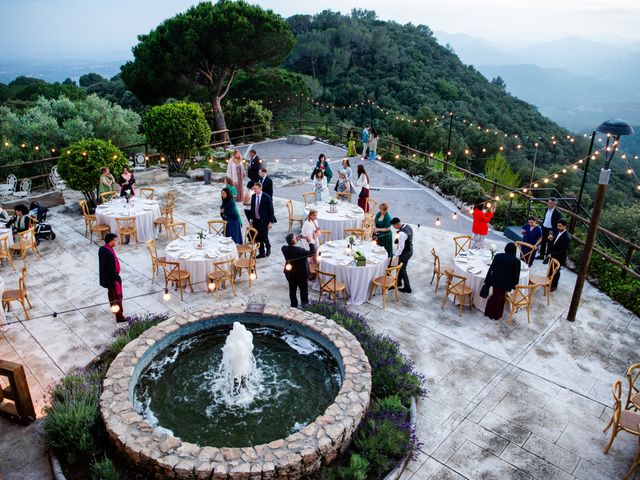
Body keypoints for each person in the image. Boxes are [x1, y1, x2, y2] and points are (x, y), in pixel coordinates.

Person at [483, 242, 521, 320]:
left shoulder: (498, 256)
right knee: (499, 300)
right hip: (505, 285)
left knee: (492, 298)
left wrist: (487, 281)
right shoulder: (517, 261)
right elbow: (516, 276)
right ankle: (496, 315)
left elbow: (491, 269)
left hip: (494, 281)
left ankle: (488, 312)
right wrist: (512, 287)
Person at [282, 233, 317, 308]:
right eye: (295, 238)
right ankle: (305, 306)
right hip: (301, 275)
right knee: (304, 292)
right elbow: (313, 252)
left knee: (292, 291)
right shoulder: (300, 251)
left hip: (290, 274)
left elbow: (290, 245)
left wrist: (295, 240)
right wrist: (310, 242)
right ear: (294, 241)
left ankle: (293, 305)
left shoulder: (284, 248)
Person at [99, 233, 127, 323]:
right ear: (111, 242)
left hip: (106, 279)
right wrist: (118, 278)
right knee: (117, 298)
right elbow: (111, 270)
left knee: (112, 297)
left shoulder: (102, 249)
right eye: (115, 240)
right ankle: (119, 317)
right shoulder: (109, 254)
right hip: (112, 280)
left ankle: (116, 311)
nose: (116, 242)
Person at [249, 182, 276, 258]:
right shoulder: (253, 196)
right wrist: (251, 221)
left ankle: (268, 246)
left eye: (256, 189)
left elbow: (271, 210)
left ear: (260, 188)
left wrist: (270, 222)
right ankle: (261, 253)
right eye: (254, 188)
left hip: (264, 221)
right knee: (258, 237)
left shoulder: (266, 197)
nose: (254, 190)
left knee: (264, 237)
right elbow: (252, 209)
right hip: (256, 220)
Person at [546, 219, 570, 291]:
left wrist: (552, 254)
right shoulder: (558, 232)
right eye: (558, 226)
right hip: (554, 254)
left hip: (559, 256)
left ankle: (554, 285)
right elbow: (557, 242)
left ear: (565, 226)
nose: (558, 227)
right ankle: (549, 281)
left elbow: (563, 250)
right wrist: (552, 239)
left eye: (560, 226)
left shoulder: (566, 237)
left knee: (556, 271)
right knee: (551, 269)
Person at [391, 217, 413, 293]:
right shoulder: (407, 226)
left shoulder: (402, 233)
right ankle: (398, 283)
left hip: (405, 252)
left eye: (393, 226)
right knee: (400, 268)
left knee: (402, 269)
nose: (393, 228)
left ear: (397, 224)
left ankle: (408, 288)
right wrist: (397, 239)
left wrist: (395, 255)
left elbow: (401, 248)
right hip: (410, 249)